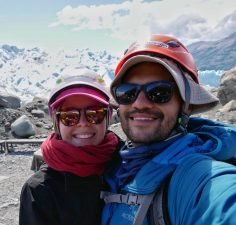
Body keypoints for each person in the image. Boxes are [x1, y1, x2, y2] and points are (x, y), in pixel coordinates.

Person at [101, 35, 236, 225]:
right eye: (127, 92)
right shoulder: (113, 166)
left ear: (186, 106)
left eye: (159, 92)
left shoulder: (198, 178)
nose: (139, 103)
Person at [19, 68, 122, 225]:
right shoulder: (40, 190)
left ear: (107, 118)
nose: (82, 123)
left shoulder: (130, 166)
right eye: (69, 116)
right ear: (57, 122)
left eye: (94, 114)